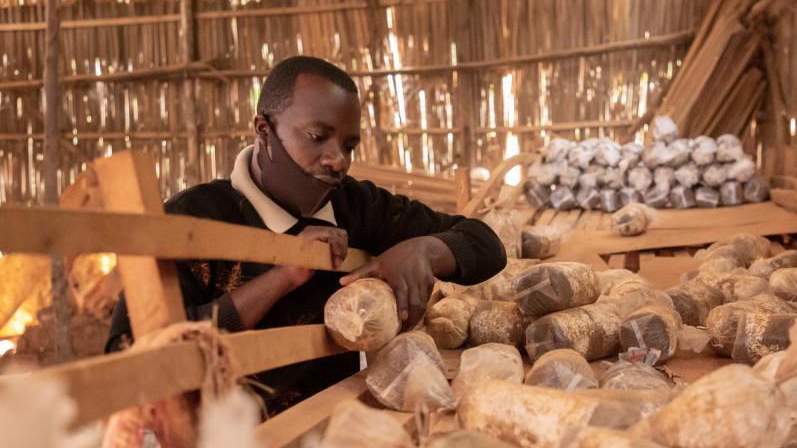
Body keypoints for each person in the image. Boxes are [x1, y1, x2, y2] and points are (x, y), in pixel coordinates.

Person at [107, 55, 506, 413]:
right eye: (318, 138)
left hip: (325, 442)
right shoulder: (193, 220)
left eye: (349, 145)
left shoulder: (354, 205)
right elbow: (126, 360)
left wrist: (426, 250)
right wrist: (282, 277)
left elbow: (485, 244)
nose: (338, 161)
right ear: (264, 130)